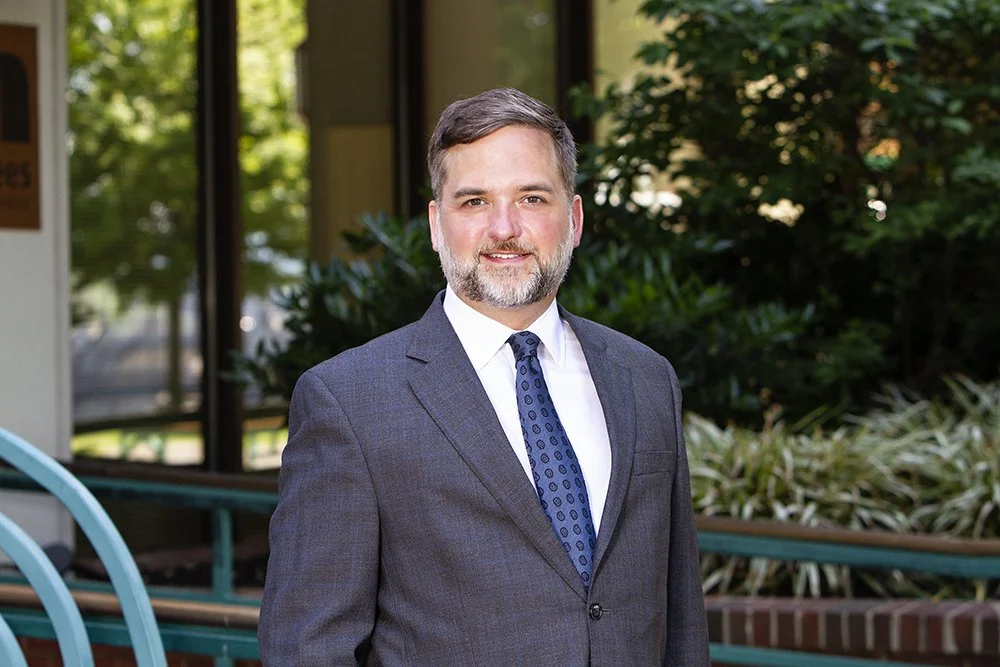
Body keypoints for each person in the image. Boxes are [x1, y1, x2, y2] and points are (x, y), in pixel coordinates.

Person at [258, 87, 710, 665]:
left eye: (531, 198)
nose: (504, 227)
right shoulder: (349, 401)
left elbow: (682, 625)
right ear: (435, 224)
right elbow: (307, 650)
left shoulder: (646, 379)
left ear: (574, 219)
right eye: (474, 201)